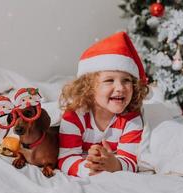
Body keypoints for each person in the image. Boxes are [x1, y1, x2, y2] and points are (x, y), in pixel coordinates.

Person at [58, 31, 149, 177]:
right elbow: (65, 158)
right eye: (109, 80)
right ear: (88, 88)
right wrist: (90, 168)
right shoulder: (74, 115)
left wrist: (115, 165)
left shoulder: (131, 119)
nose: (120, 88)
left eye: (126, 80)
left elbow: (130, 160)